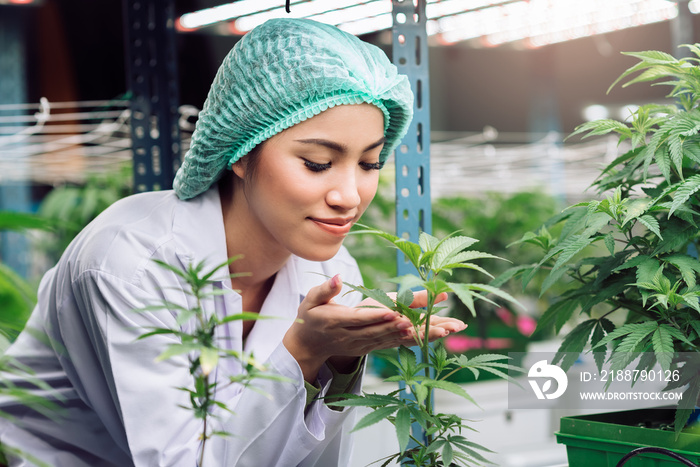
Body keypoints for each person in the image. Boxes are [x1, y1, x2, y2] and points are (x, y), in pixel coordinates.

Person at [0, 18, 466, 467]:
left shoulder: (330, 272)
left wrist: (338, 358)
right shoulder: (131, 263)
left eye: (369, 164)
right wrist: (303, 352)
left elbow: (316, 459)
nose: (349, 197)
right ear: (241, 152)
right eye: (318, 163)